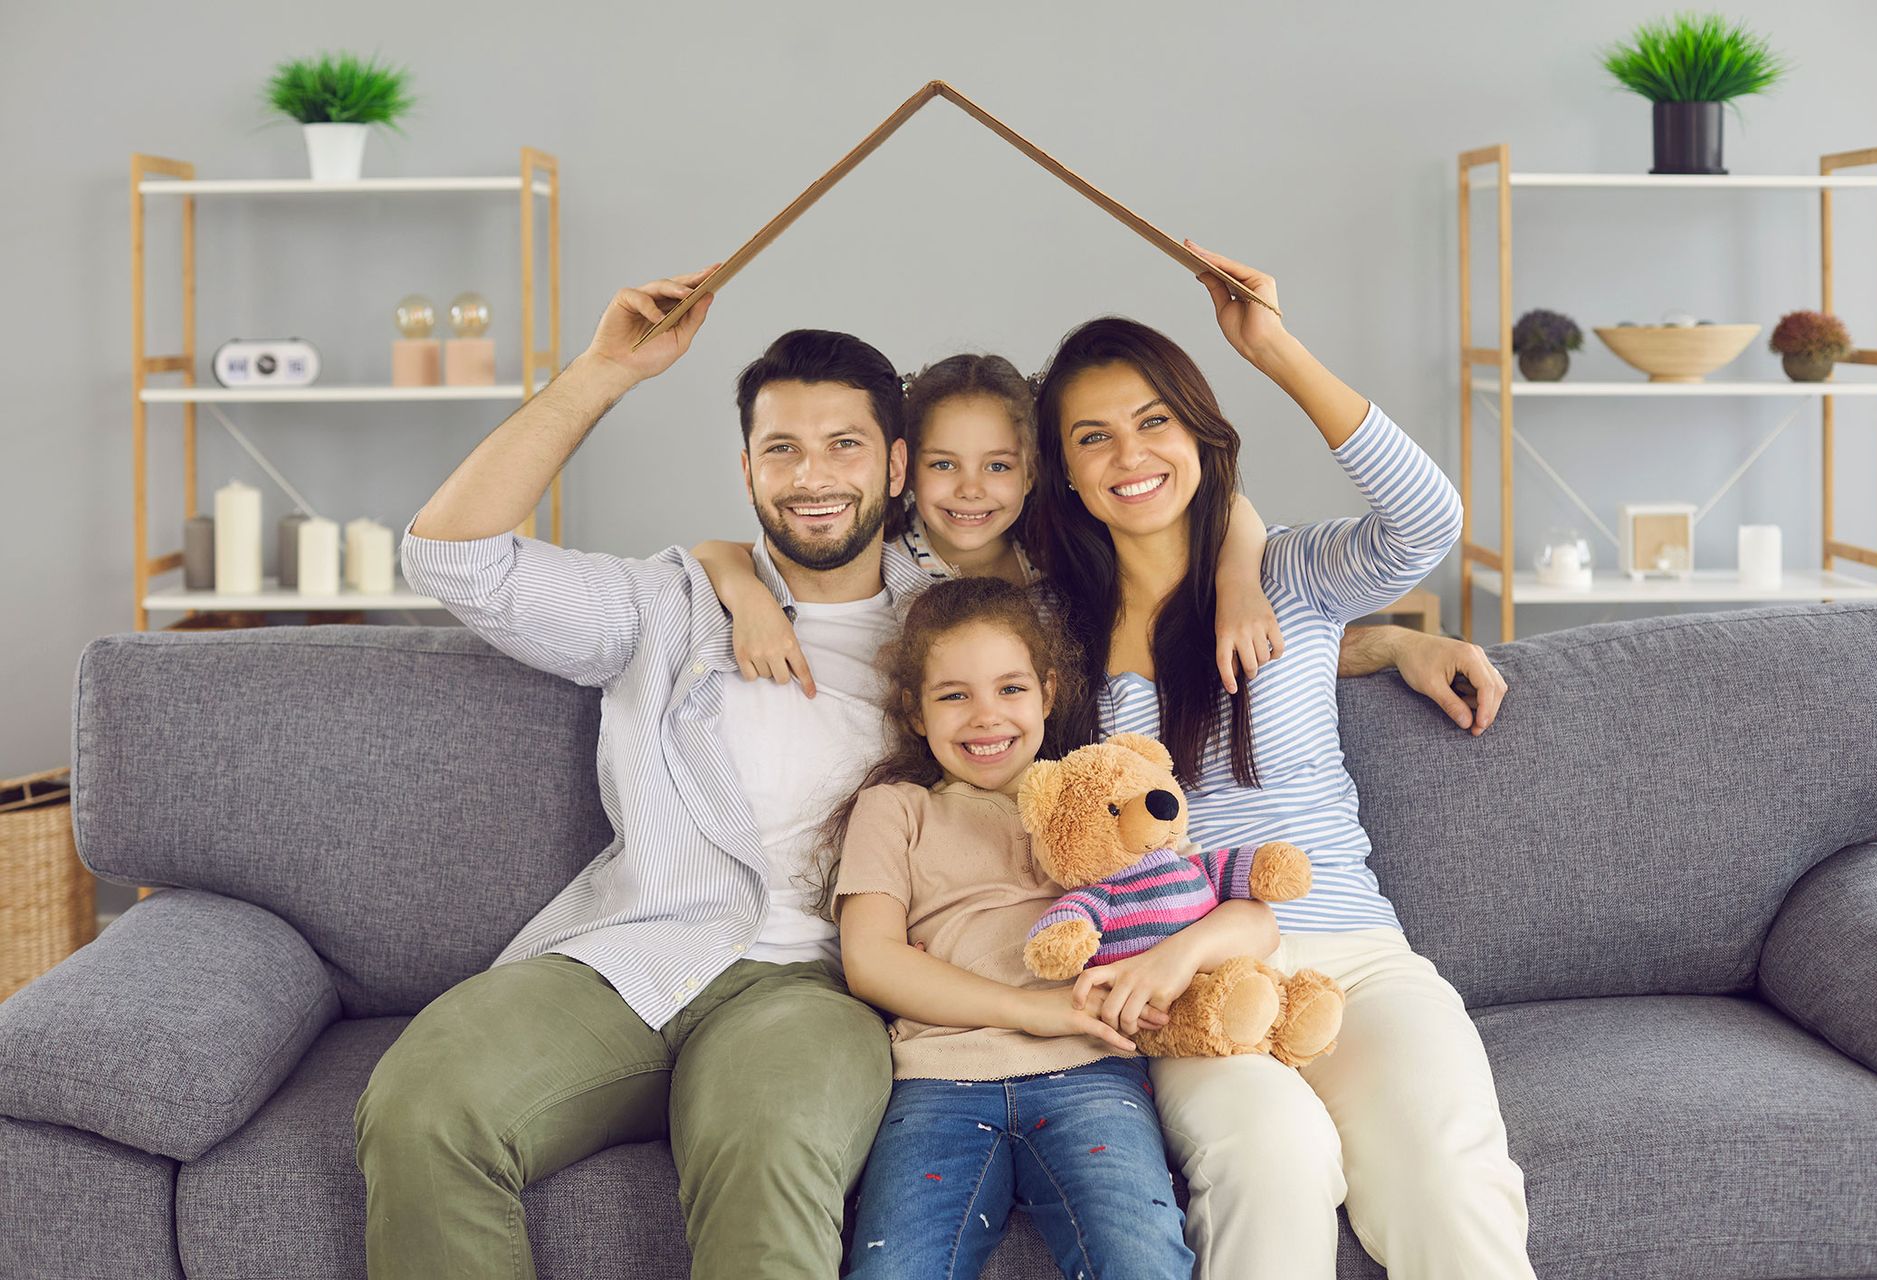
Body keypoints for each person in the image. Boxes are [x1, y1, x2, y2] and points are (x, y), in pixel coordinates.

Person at [352, 260, 1510, 1278]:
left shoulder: (999, 631)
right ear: (748, 465)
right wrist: (628, 409)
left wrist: (1393, 637)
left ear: (891, 465)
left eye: (846, 445)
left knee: (1439, 1178)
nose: (815, 475)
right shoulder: (710, 602)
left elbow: (1267, 585)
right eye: (783, 449)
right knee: (420, 1105)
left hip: (888, 978)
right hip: (673, 947)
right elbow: (457, 556)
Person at [1027, 239, 1529, 1279]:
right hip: (1186, 978)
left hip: (1354, 946)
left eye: (1154, 421)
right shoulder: (1051, 636)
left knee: (1445, 1171)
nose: (1131, 455)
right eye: (1095, 438)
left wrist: (1273, 345)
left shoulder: (1291, 576)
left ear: (1200, 432)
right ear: (1067, 472)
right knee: (1275, 1157)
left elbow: (1428, 520)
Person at [834, 576, 1236, 1278]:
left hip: (1090, 1074)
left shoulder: (1105, 803)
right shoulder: (895, 810)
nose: (986, 717)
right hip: (937, 1082)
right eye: (954, 695)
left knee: (1142, 1258)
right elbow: (872, 961)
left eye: (1010, 689)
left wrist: (1181, 954)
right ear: (916, 712)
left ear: (1049, 694)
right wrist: (1032, 1009)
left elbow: (1225, 905)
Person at [698, 351, 1287, 699]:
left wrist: (1239, 582)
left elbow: (1227, 507)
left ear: (1032, 473)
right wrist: (750, 598)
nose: (971, 489)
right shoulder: (881, 562)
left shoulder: (1061, 558)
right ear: (903, 467)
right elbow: (716, 553)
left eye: (998, 466)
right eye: (943, 464)